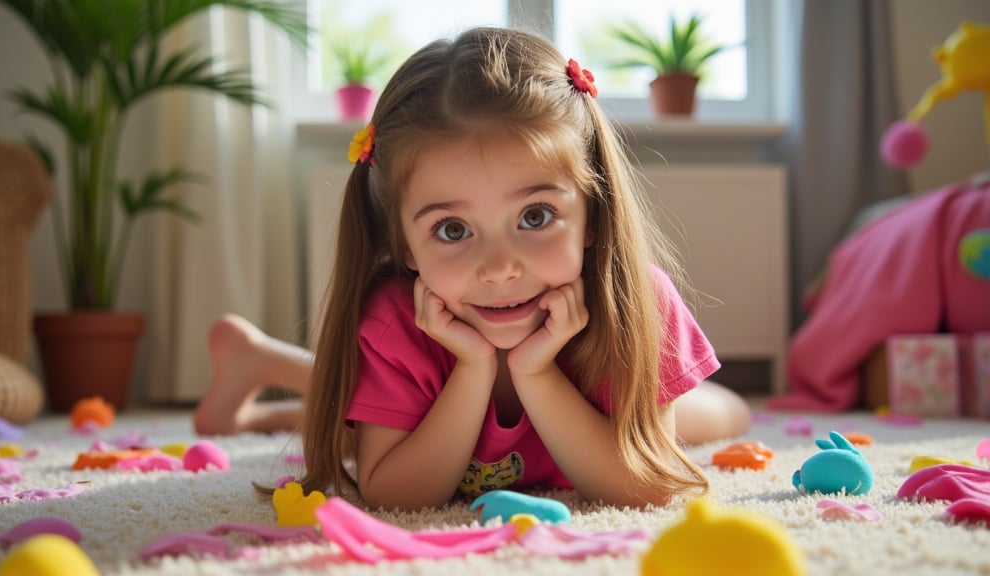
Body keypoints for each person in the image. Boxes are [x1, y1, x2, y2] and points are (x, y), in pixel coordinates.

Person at [194, 27, 751, 510]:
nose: (501, 268)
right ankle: (264, 366)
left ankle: (262, 368)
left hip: (602, 405)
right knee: (366, 415)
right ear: (406, 248)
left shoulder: (632, 302)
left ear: (592, 216)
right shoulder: (395, 321)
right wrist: (472, 369)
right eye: (453, 230)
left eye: (535, 216)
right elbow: (394, 494)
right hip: (432, 392)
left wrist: (536, 374)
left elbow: (653, 487)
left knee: (729, 413)